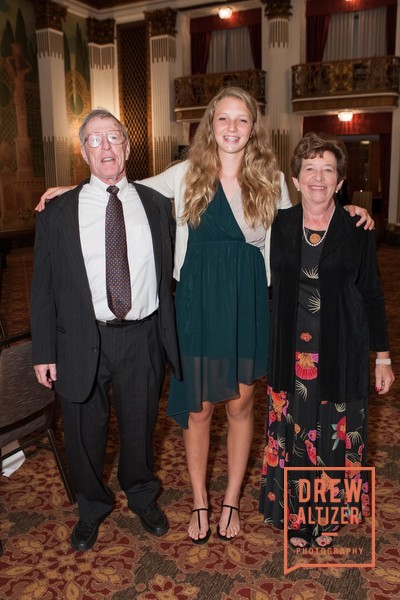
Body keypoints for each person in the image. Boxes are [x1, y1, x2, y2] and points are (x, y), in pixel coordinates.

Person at [37, 88, 374, 544]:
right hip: (196, 305)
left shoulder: (271, 179)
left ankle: (230, 500)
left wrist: (349, 209)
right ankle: (200, 501)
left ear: (253, 126)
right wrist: (68, 192)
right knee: (198, 411)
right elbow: (123, 191)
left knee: (240, 406)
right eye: (223, 119)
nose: (232, 128)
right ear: (209, 125)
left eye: (241, 120)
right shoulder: (184, 174)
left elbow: (307, 216)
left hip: (247, 304)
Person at [30, 108, 181, 552]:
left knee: (140, 427)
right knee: (81, 433)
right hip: (78, 337)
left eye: (113, 138)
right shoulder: (57, 211)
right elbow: (42, 287)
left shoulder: (157, 205)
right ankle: (91, 507)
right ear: (82, 151)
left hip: (142, 337)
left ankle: (141, 495)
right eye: (94, 140)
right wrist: (43, 351)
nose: (106, 148)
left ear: (128, 147)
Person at [259, 131, 395, 549]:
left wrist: (383, 357)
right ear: (296, 180)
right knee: (297, 433)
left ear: (339, 182)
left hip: (340, 350)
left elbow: (372, 293)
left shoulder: (357, 228)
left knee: (333, 435)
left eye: (328, 170)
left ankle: (328, 514)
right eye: (309, 169)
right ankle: (297, 517)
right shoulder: (278, 225)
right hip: (290, 352)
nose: (318, 178)